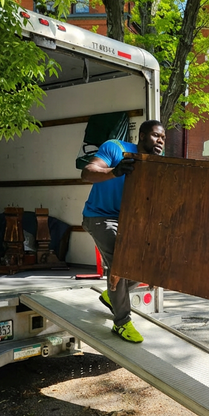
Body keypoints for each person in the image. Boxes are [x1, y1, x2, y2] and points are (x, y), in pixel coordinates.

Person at [81, 120, 166, 343]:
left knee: (144, 266)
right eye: (156, 136)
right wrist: (115, 171)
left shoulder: (155, 163)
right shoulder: (115, 148)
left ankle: (112, 294)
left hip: (128, 220)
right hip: (99, 216)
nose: (160, 141)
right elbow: (88, 172)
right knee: (122, 261)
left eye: (163, 138)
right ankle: (122, 322)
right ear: (142, 135)